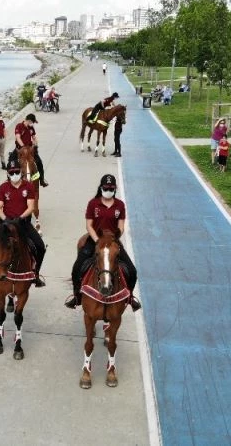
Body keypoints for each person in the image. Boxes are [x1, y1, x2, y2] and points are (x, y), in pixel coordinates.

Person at [65, 174, 138, 309]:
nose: (108, 190)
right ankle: (76, 297)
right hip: (95, 240)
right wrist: (97, 240)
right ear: (101, 187)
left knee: (132, 270)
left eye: (111, 188)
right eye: (106, 188)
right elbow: (89, 225)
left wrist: (114, 238)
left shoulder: (120, 205)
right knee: (77, 268)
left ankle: (130, 297)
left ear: (115, 189)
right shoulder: (93, 203)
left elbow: (121, 226)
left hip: (112, 242)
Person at [0, 160, 46, 287]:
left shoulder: (28, 186)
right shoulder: (3, 187)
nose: (14, 174)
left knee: (40, 246)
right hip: (4, 225)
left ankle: (36, 274)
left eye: (17, 172)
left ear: (21, 172)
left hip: (22, 223)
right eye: (12, 173)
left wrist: (20, 218)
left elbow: (31, 207)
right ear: (8, 174)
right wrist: (5, 219)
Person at [13, 113, 48, 187]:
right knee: (11, 162)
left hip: (30, 149)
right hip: (20, 149)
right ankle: (10, 180)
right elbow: (18, 137)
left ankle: (41, 179)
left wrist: (35, 144)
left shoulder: (31, 128)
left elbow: (34, 137)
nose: (33, 124)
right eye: (32, 122)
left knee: (39, 163)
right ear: (28, 121)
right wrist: (23, 147)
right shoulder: (19, 126)